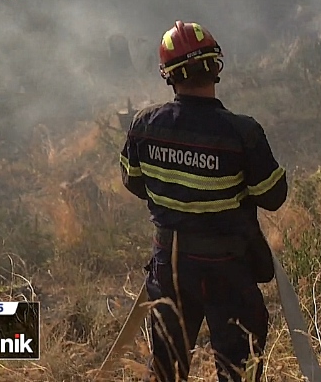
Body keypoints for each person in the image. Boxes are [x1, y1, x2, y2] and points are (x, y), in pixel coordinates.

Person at [119, 20, 288, 382]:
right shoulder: (242, 133)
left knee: (166, 369)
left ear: (169, 76)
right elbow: (273, 196)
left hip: (169, 267)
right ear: (216, 66)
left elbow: (134, 182)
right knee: (237, 369)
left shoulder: (144, 125)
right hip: (227, 268)